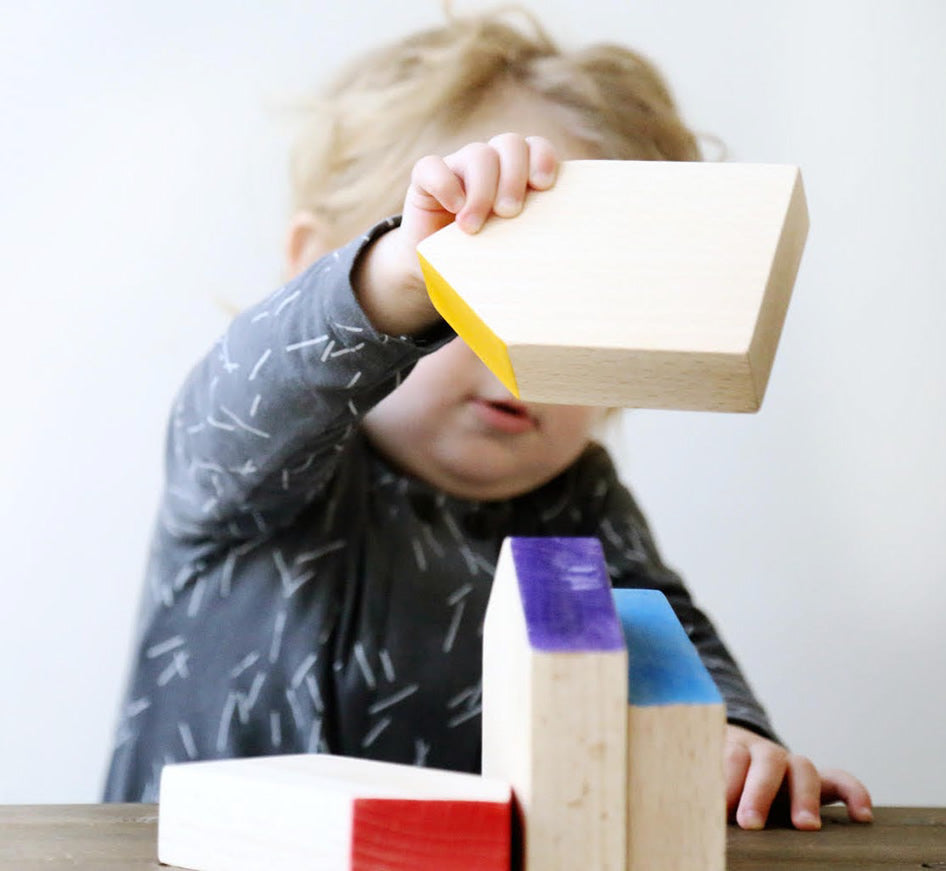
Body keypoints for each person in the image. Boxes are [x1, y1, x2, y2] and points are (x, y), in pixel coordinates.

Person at [104, 7, 872, 831]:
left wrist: (731, 736)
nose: (518, 355)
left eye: (594, 311)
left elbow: (662, 644)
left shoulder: (578, 503)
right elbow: (237, 404)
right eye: (484, 289)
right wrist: (399, 275)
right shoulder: (265, 477)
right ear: (317, 264)